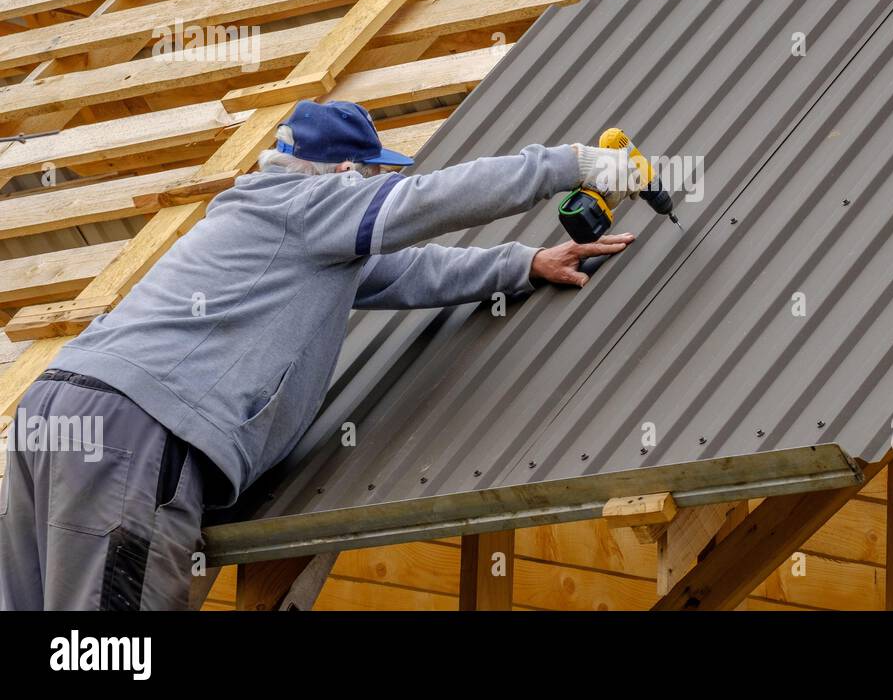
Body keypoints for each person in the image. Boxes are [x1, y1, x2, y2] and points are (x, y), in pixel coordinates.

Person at [0, 100, 639, 610]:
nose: (381, 185)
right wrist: (572, 164)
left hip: (55, 408)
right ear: (343, 175)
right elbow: (430, 202)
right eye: (373, 175)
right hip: (133, 429)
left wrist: (523, 263)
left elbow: (408, 273)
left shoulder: (274, 234)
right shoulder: (309, 209)